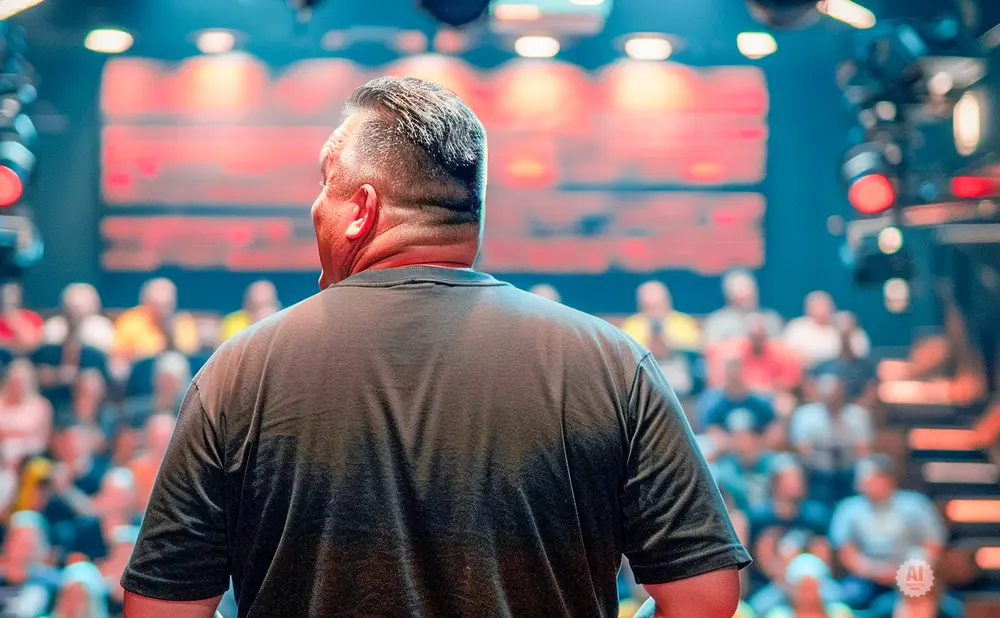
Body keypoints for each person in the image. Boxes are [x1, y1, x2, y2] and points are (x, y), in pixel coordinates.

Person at [122, 76, 750, 617]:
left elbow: (159, 610)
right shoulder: (611, 365)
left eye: (324, 184)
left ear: (361, 210)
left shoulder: (237, 374)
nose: (314, 205)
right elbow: (704, 599)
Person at [830, 455, 947, 609]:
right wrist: (876, 571)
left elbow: (933, 546)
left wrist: (905, 573)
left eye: (867, 478)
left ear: (886, 478)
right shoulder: (848, 509)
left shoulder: (916, 505)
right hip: (865, 577)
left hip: (910, 576)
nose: (861, 483)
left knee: (941, 603)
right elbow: (846, 553)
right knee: (849, 597)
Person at [789, 374, 873, 504]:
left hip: (848, 472)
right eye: (829, 396)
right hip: (816, 473)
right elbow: (803, 451)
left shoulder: (858, 416)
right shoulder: (805, 415)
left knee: (867, 470)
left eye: (837, 396)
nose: (833, 400)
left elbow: (863, 451)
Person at [112, 278, 199, 363]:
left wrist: (171, 334)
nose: (164, 311)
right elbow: (119, 356)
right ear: (146, 303)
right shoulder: (130, 321)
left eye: (168, 305)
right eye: (158, 305)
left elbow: (190, 354)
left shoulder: (184, 322)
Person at [703, 271, 782, 346]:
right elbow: (712, 352)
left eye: (748, 288)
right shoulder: (717, 322)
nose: (747, 293)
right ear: (730, 296)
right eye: (741, 290)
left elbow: (781, 352)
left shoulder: (771, 319)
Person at [0, 360, 53, 468]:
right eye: (14, 381)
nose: (17, 386)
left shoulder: (41, 406)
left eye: (21, 381)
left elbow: (44, 439)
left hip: (29, 457)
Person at [620, 281, 701, 352]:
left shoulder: (683, 322)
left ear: (667, 303)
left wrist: (669, 343)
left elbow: (697, 345)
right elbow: (623, 349)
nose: (654, 312)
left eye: (657, 306)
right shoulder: (632, 325)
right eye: (648, 307)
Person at [42, 284, 116, 355]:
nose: (77, 306)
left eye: (85, 299)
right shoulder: (52, 326)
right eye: (72, 299)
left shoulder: (102, 328)